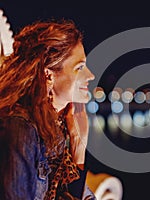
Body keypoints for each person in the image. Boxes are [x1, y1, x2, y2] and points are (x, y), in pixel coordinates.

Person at [0, 19, 96, 199]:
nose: (90, 75)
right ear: (48, 75)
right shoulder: (19, 129)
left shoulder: (54, 130)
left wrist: (78, 144)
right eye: (80, 67)